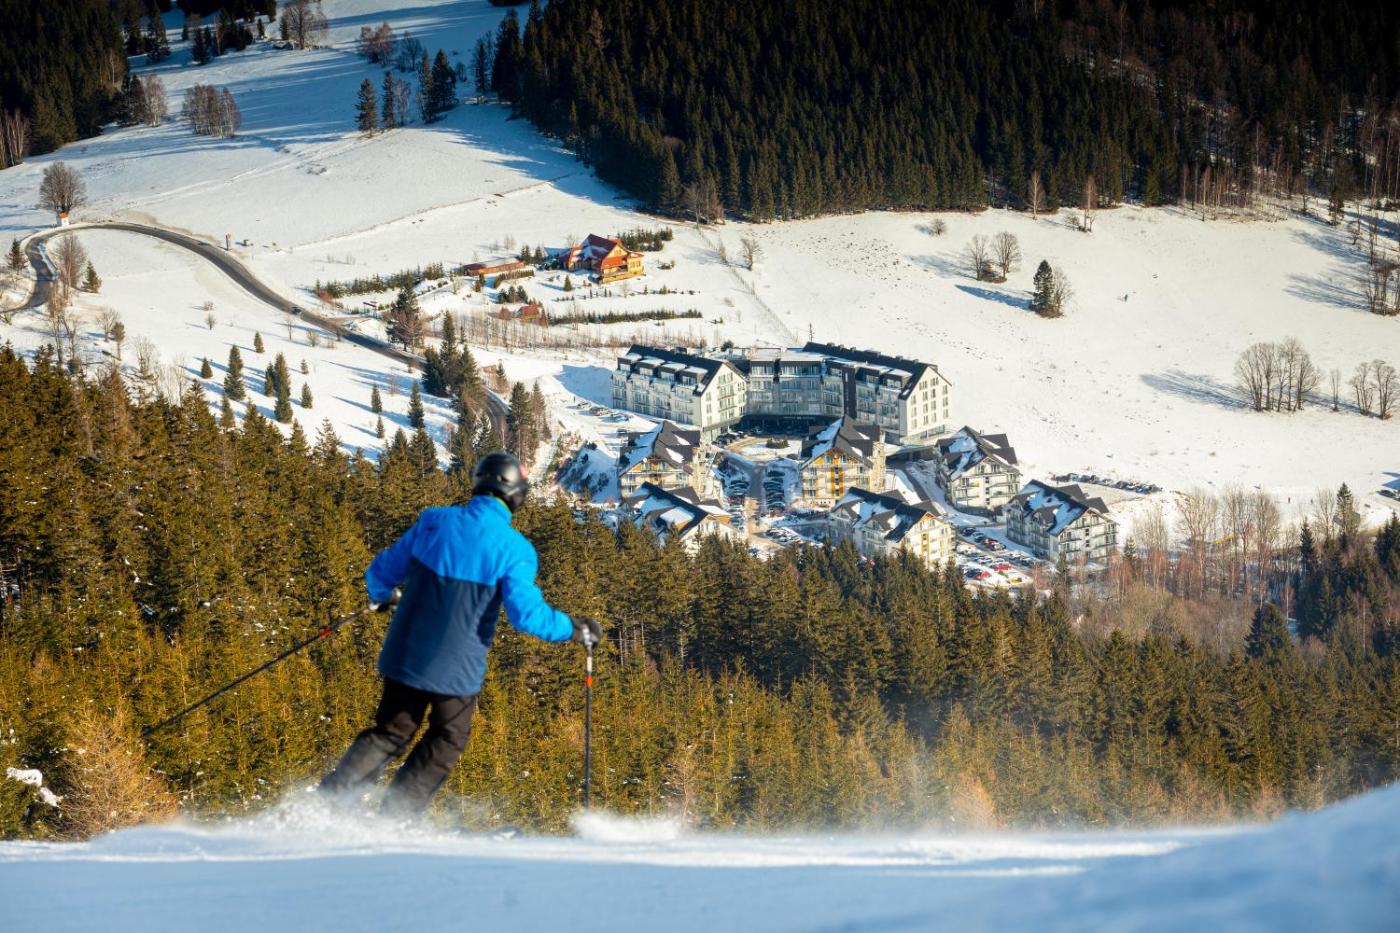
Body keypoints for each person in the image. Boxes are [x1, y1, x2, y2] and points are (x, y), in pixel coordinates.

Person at [321, 450, 602, 816]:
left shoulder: (434, 521)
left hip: (404, 654)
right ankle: (395, 817)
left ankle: (328, 804)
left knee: (390, 732)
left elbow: (381, 572)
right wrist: (574, 629)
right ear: (517, 494)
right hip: (455, 670)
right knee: (448, 737)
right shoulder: (515, 549)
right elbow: (527, 616)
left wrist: (384, 596)